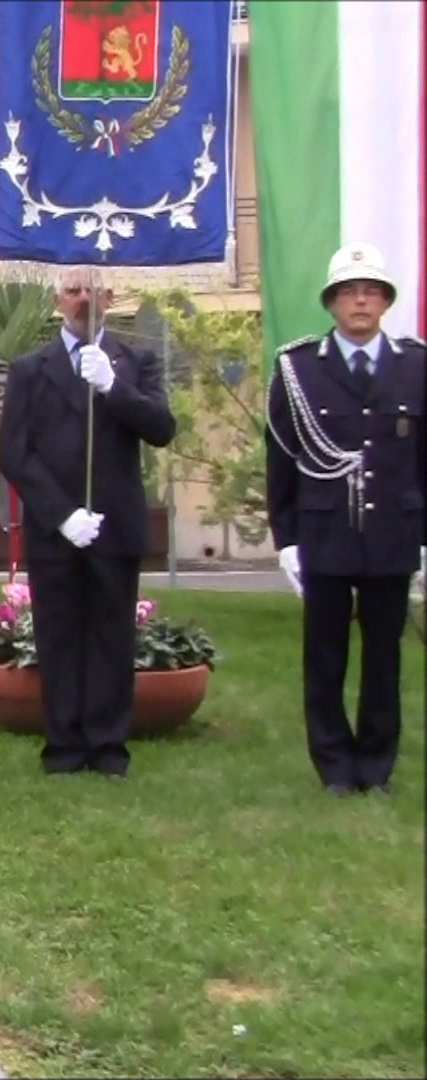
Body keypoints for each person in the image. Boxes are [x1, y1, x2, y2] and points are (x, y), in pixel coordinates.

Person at [0, 266, 176, 778]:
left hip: (115, 525)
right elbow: (14, 453)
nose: (83, 298)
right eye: (72, 290)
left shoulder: (135, 362)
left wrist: (114, 387)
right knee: (58, 637)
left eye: (92, 290)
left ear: (109, 297)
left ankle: (108, 746)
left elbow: (161, 428)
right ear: (58, 301)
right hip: (56, 529)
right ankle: (64, 746)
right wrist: (62, 514)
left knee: (111, 638)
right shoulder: (31, 369)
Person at [265, 241, 426, 797]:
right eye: (350, 292)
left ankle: (376, 767)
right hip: (325, 531)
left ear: (385, 302)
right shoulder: (298, 368)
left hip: (393, 532)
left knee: (383, 658)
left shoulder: (416, 366)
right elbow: (282, 458)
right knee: (324, 656)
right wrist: (286, 539)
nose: (361, 301)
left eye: (372, 292)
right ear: (331, 302)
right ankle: (333, 765)